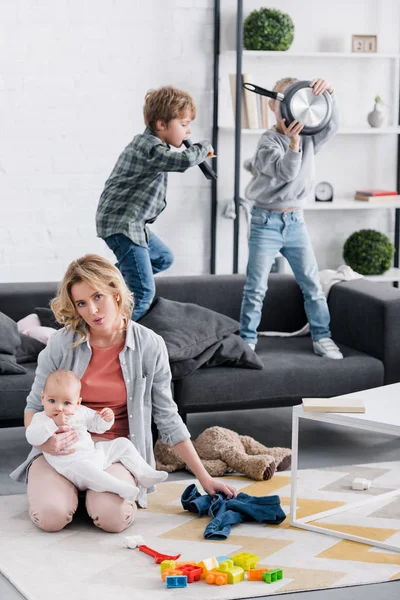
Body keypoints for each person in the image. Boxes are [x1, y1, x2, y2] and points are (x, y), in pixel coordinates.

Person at [11, 254, 237, 533]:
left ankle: (89, 494)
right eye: (81, 303)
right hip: (60, 451)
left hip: (113, 452)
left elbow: (168, 418)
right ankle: (68, 492)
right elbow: (33, 408)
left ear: (115, 293)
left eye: (98, 297)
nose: (92, 310)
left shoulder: (150, 345)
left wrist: (205, 478)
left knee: (113, 519)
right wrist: (46, 445)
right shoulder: (60, 344)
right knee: (51, 518)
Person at [240, 77, 343, 360]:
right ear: (274, 105)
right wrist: (293, 144)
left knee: (311, 284)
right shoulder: (268, 141)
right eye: (284, 101)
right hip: (265, 222)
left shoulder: (310, 136)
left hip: (296, 222)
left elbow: (332, 125)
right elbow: (286, 172)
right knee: (256, 286)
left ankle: (322, 337)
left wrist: (330, 96)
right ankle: (247, 340)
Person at [96, 85, 214, 321]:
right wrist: (204, 147)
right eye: (184, 124)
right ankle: (111, 336)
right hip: (123, 224)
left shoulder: (152, 146)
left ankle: (101, 284)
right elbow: (183, 161)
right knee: (143, 292)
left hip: (133, 224)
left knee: (163, 258)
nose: (188, 132)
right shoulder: (149, 147)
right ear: (161, 125)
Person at [26, 370, 168, 501]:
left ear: (77, 403)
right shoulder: (42, 418)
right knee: (89, 471)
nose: (59, 407)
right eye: (52, 401)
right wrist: (54, 424)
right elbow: (32, 437)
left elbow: (97, 427)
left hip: (94, 454)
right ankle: (120, 487)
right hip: (72, 467)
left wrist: (106, 419)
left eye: (67, 403)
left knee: (122, 444)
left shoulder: (80, 411)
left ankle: (144, 474)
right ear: (43, 398)